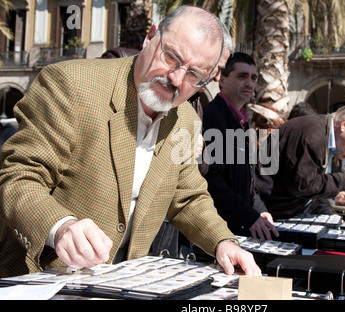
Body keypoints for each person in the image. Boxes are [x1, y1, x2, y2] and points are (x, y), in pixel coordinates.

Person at [0, 5, 261, 278]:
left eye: (195, 75)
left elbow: (188, 197)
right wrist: (61, 225)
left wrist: (223, 241)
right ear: (150, 38)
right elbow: (19, 176)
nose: (176, 78)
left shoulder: (186, 119)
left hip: (124, 285)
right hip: (39, 279)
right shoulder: (70, 84)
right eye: (171, 57)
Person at [202, 52, 279, 240]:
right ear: (222, 79)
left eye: (253, 77)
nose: (250, 83)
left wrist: (259, 210)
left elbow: (248, 180)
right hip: (216, 232)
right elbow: (211, 181)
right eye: (242, 76)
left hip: (240, 229)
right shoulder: (212, 117)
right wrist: (249, 216)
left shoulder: (244, 121)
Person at [265, 102, 345, 219]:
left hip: (284, 215)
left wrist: (332, 216)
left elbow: (314, 195)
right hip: (270, 217)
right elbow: (304, 186)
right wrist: (344, 179)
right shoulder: (313, 133)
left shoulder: (324, 136)